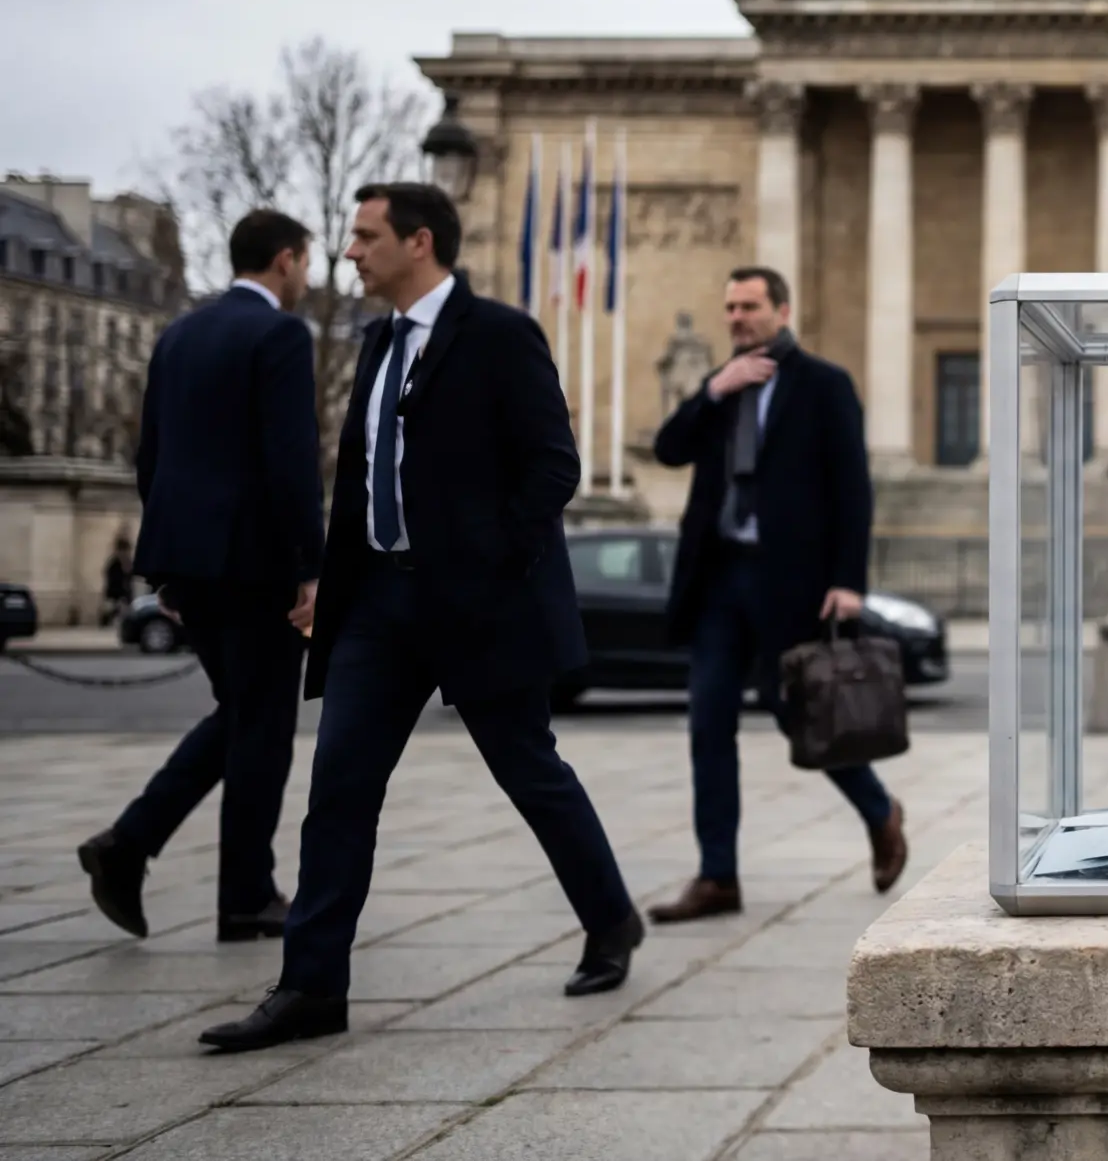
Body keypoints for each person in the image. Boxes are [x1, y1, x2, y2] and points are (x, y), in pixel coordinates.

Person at [199, 184, 640, 1053]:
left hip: (478, 604)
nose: (350, 252)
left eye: (366, 237)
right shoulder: (374, 343)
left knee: (531, 773)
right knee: (339, 790)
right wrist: (328, 575)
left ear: (420, 241)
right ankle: (310, 985)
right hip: (379, 606)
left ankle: (610, 918)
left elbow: (554, 466)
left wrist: (490, 563)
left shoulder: (500, 334)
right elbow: (365, 476)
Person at [79, 211, 323, 943]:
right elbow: (291, 462)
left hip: (189, 557)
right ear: (285, 260)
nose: (306, 276)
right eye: (306, 262)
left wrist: (168, 567)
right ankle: (244, 894)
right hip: (256, 562)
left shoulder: (179, 332)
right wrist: (310, 568)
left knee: (242, 713)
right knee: (264, 724)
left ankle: (130, 843)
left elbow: (150, 457)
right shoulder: (281, 334)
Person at [646, 266, 906, 924]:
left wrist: (848, 580)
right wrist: (712, 389)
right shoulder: (723, 388)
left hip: (791, 581)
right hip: (719, 578)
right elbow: (668, 448)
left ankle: (880, 811)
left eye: (750, 305)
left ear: (782, 310)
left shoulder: (823, 385)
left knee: (803, 716)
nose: (736, 316)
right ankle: (717, 875)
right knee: (708, 722)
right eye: (730, 306)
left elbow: (853, 488)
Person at [100, 540, 133, 627]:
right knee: (111, 610)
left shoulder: (128, 563)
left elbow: (130, 577)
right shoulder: (114, 563)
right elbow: (112, 579)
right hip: (115, 593)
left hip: (124, 594)